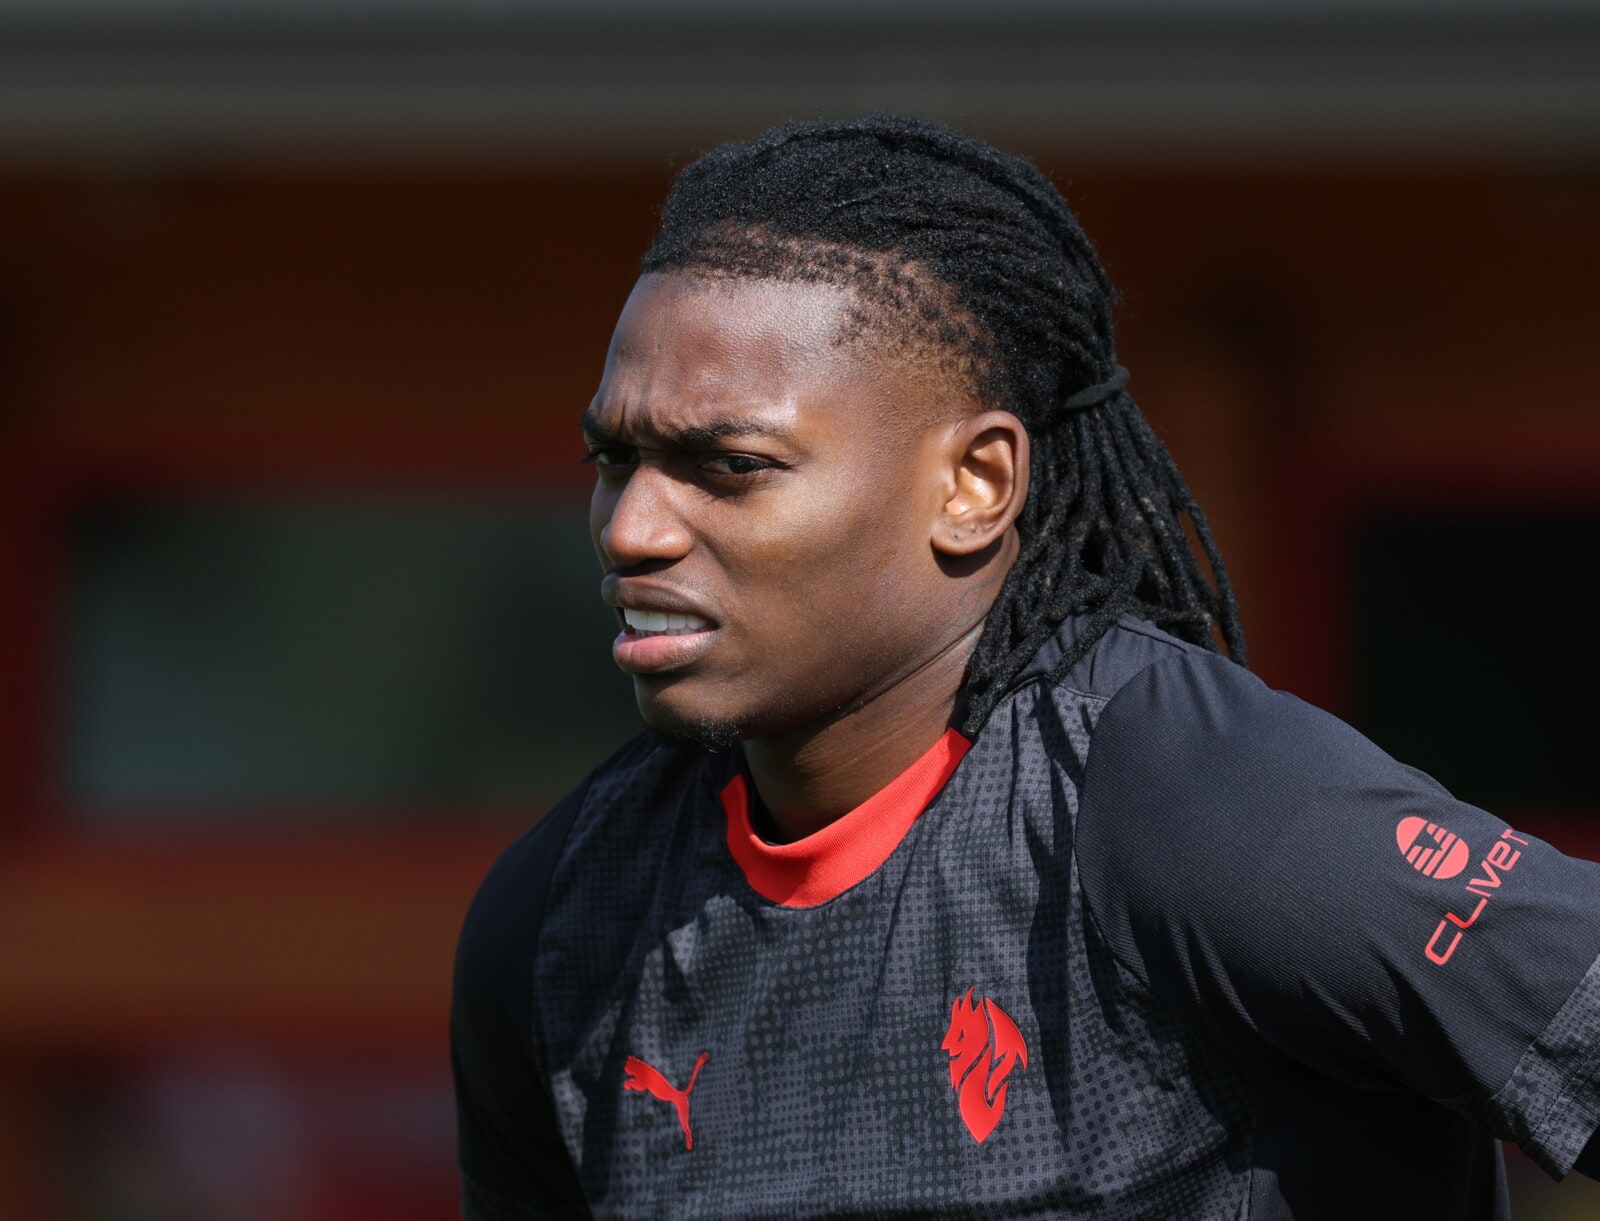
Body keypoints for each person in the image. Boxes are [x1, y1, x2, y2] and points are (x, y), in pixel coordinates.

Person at [450, 114, 1600, 1219]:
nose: (632, 528)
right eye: (615, 459)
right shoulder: (557, 922)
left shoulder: (1198, 813)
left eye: (729, 466)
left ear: (975, 485)